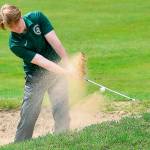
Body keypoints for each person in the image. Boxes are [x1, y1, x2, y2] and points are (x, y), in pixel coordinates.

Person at [0, 4, 72, 142]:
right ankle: (20, 144)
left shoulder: (37, 17)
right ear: (7, 26)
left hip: (56, 68)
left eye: (18, 23)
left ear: (20, 16)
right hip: (36, 78)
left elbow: (54, 41)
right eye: (12, 27)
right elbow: (41, 61)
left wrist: (68, 63)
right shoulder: (14, 44)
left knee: (61, 107)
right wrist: (65, 72)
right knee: (29, 116)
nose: (18, 29)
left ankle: (62, 140)